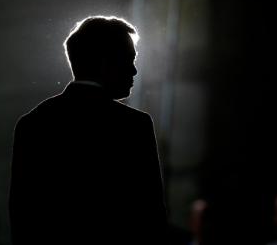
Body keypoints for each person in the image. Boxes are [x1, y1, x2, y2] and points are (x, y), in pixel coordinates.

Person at [9, 16, 168, 244]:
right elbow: (151, 216)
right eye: (129, 60)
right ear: (105, 63)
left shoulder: (32, 123)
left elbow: (22, 215)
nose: (134, 71)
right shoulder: (134, 126)